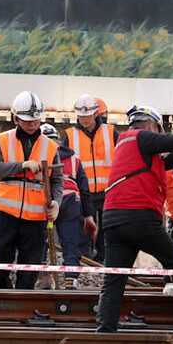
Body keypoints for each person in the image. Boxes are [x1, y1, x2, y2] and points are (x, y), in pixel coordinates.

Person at [95, 105, 173, 333]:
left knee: (114, 280)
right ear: (152, 126)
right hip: (140, 217)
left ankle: (105, 329)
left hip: (113, 219)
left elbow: (168, 161)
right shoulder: (142, 137)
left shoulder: (127, 144)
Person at [0, 91, 63, 290]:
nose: (32, 124)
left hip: (36, 218)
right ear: (15, 119)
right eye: (27, 120)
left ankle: (22, 306)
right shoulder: (2, 140)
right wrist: (22, 166)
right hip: (4, 214)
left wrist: (57, 203)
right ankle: (2, 296)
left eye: (36, 120)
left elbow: (57, 181)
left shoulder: (51, 147)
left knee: (30, 269)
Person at [40, 122, 97, 290]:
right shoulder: (74, 159)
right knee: (70, 244)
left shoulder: (38, 153)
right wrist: (88, 216)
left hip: (46, 201)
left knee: (40, 240)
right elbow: (85, 190)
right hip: (70, 202)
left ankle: (42, 277)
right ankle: (71, 282)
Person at [64, 94, 117, 263]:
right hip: (82, 192)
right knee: (82, 227)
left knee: (107, 227)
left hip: (108, 190)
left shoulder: (110, 132)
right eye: (81, 116)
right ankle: (86, 259)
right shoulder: (70, 136)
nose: (84, 120)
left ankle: (104, 259)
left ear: (96, 114)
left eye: (88, 116)